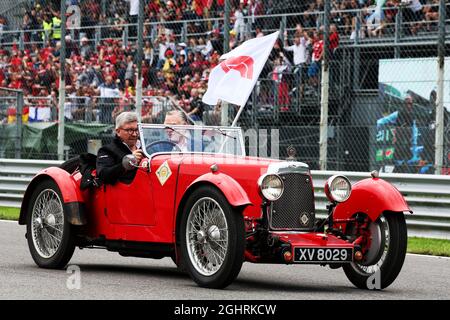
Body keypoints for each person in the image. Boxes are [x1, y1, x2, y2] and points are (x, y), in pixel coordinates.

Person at [96, 112, 144, 185]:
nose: (134, 134)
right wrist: (128, 162)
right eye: (129, 130)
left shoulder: (145, 147)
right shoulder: (107, 151)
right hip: (126, 193)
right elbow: (103, 175)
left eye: (136, 130)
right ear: (118, 131)